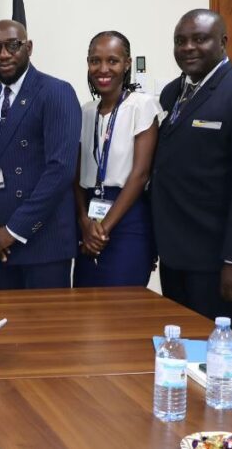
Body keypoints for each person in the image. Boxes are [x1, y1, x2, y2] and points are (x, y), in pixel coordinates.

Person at [152, 9, 232, 334]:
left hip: (220, 255)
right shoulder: (172, 93)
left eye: (199, 39)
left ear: (222, 42)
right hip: (178, 251)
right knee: (183, 346)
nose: (188, 47)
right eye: (180, 41)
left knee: (217, 352)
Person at [0, 19, 81, 289]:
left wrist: (13, 231)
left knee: (46, 331)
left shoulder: (56, 92)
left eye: (12, 45)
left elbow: (60, 170)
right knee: (6, 329)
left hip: (44, 243)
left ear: (29, 47)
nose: (4, 54)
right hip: (0, 245)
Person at [73, 31, 161, 287]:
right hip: (89, 218)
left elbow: (140, 174)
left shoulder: (142, 106)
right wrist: (84, 223)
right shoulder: (86, 111)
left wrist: (103, 229)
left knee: (123, 311)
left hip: (127, 218)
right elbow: (76, 176)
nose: (103, 69)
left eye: (112, 61)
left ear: (127, 64)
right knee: (85, 310)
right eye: (94, 60)